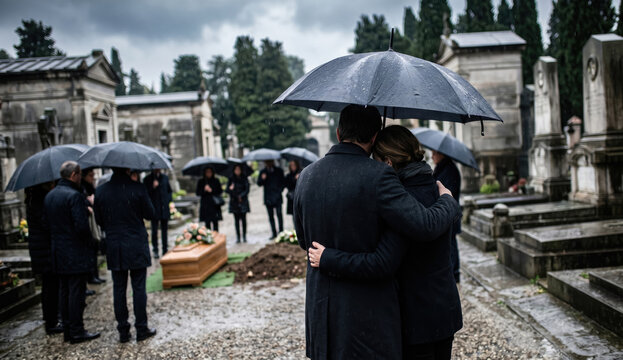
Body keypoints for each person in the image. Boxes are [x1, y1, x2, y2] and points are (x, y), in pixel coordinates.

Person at [293, 105, 460, 359]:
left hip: (321, 313)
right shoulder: (380, 175)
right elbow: (422, 226)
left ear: (338, 133)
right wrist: (448, 201)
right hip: (365, 314)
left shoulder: (305, 176)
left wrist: (327, 255)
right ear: (374, 137)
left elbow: (305, 241)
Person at [95, 167, 157, 343]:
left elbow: (99, 220)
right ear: (128, 168)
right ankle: (141, 328)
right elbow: (150, 213)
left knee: (119, 288)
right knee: (138, 288)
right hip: (136, 243)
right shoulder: (137, 188)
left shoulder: (101, 191)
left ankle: (123, 330)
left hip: (115, 245)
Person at [44, 161, 100, 344]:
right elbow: (81, 228)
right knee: (76, 292)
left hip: (58, 251)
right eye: (80, 174)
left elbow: (47, 224)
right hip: (75, 252)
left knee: (64, 291)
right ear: (74, 174)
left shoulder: (50, 196)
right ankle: (77, 330)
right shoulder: (74, 196)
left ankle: (68, 330)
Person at [25, 182, 63, 335]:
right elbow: (46, 222)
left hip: (43, 250)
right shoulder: (38, 200)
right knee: (49, 287)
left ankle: (53, 319)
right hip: (44, 250)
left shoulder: (35, 198)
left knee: (50, 286)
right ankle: (51, 322)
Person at [432, 150, 462, 284]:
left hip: (450, 212)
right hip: (446, 212)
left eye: (434, 153)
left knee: (451, 243)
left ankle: (455, 273)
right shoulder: (442, 168)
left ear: (441, 154)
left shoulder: (449, 170)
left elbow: (448, 191)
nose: (432, 156)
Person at [81, 168, 105, 285]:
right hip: (88, 224)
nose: (93, 177)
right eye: (91, 175)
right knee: (90, 252)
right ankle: (91, 276)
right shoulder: (82, 188)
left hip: (94, 222)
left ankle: (95, 275)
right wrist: (88, 204)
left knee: (94, 251)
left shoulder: (91, 187)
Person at [143, 169, 172, 258]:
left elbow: (169, 191)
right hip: (154, 209)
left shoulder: (165, 178)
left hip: (164, 208)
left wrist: (168, 200)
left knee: (164, 230)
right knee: (154, 231)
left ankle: (165, 249)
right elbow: (145, 194)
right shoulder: (147, 179)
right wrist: (153, 187)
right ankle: (155, 249)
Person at [257, 159, 285, 239]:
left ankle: (281, 232)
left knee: (279, 215)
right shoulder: (263, 172)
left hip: (277, 197)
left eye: (270, 161)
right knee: (271, 216)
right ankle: (274, 233)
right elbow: (259, 183)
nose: (268, 163)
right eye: (267, 162)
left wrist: (279, 191)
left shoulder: (279, 171)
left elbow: (283, 182)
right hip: (268, 198)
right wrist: (263, 178)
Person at [226, 164, 250, 243]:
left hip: (243, 201)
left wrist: (241, 196)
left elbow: (247, 189)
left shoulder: (244, 178)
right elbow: (227, 190)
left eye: (239, 169)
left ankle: (244, 236)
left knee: (243, 220)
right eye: (236, 169)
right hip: (234, 202)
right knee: (236, 221)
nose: (237, 171)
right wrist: (231, 189)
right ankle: (238, 237)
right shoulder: (231, 179)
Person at [196, 167, 223, 231]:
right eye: (207, 172)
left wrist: (211, 190)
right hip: (206, 206)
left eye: (210, 172)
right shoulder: (201, 181)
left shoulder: (216, 180)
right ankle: (209, 239)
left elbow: (220, 191)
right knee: (207, 224)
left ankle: (216, 238)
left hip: (214, 205)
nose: (209, 173)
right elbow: (198, 193)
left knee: (215, 223)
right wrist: (204, 190)